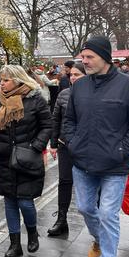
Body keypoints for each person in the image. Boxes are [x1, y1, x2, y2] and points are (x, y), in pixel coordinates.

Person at [64, 35, 129, 257]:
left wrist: (122, 150)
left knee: (108, 214)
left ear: (105, 57)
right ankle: (100, 241)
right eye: (83, 57)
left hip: (114, 165)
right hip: (83, 161)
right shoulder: (79, 87)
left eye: (89, 57)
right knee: (86, 208)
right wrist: (73, 143)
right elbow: (70, 120)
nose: (84, 62)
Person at [0, 65, 52, 257]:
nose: (1, 84)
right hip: (5, 158)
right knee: (9, 202)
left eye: (5, 80)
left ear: (18, 80)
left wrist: (35, 146)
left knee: (25, 202)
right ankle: (14, 244)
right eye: (1, 80)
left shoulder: (35, 99)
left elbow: (47, 126)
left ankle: (32, 232)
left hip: (27, 159)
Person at [47, 62, 86, 236]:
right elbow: (55, 119)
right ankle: (61, 219)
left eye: (78, 75)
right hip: (65, 145)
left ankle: (96, 221)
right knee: (64, 182)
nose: (73, 78)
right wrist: (53, 144)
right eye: (72, 75)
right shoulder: (64, 94)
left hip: (86, 147)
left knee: (88, 183)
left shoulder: (92, 94)